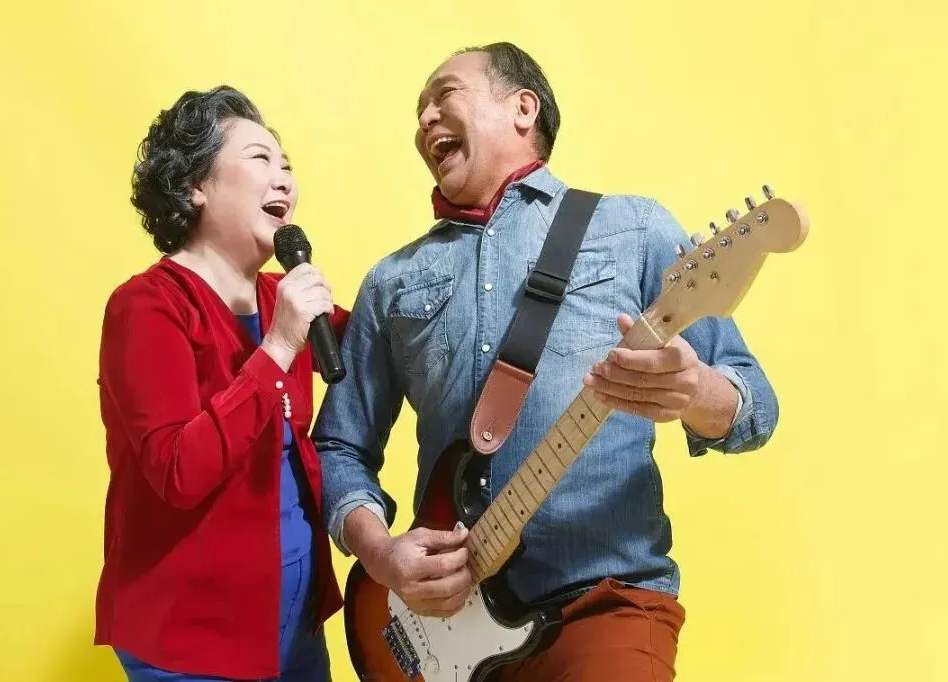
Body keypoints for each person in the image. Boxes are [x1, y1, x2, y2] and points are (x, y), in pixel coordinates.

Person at [313, 42, 779, 681]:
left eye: (444, 95)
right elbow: (339, 446)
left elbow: (755, 405)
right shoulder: (391, 281)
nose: (424, 119)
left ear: (523, 108)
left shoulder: (633, 229)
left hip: (604, 603)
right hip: (443, 631)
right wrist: (381, 554)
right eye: (418, 109)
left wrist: (696, 391)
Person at [93, 85, 346, 682]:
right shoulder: (146, 306)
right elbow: (178, 471)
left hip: (295, 628)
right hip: (191, 642)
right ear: (194, 186)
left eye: (287, 165)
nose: (284, 179)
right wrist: (278, 347)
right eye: (260, 158)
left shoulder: (281, 298)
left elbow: (384, 346)